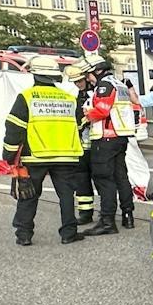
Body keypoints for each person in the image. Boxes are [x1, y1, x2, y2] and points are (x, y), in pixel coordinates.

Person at [2, 54, 88, 246]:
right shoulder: (69, 98)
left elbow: (14, 128)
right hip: (67, 156)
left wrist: (9, 154)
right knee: (66, 195)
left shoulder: (26, 97)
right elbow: (81, 123)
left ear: (34, 75)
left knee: (29, 195)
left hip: (36, 156)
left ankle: (24, 235)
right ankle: (69, 233)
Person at [82, 57, 137, 234]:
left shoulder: (105, 85)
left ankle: (107, 222)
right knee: (121, 176)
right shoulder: (120, 84)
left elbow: (102, 111)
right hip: (120, 137)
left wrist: (86, 114)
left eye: (89, 75)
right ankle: (128, 215)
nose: (88, 79)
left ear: (97, 71)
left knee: (104, 180)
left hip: (106, 138)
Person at [64, 63, 98, 229]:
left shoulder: (95, 93)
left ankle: (108, 212)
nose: (78, 84)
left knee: (101, 180)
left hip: (98, 145)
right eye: (75, 82)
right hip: (81, 146)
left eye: (79, 80)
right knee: (82, 180)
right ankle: (86, 213)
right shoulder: (77, 95)